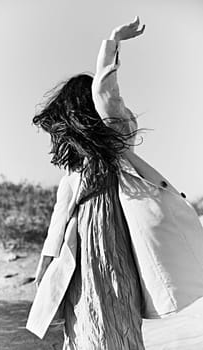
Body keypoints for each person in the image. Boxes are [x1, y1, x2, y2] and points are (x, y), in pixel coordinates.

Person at [29, 17, 146, 349]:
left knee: (114, 332)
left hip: (111, 259)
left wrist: (111, 44)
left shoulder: (114, 147)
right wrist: (45, 274)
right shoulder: (72, 172)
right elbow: (57, 223)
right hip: (77, 269)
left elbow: (105, 94)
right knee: (83, 335)